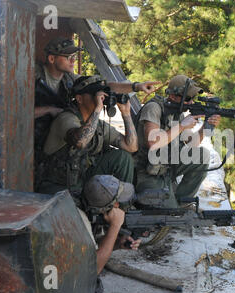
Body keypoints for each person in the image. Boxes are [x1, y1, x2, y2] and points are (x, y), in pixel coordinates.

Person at [34, 37, 159, 190]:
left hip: (68, 139)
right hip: (40, 140)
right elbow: (18, 112)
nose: (73, 61)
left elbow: (105, 86)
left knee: (121, 158)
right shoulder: (33, 76)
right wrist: (49, 110)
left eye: (74, 57)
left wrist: (135, 88)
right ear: (52, 58)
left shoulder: (69, 78)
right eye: (68, 57)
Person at [37, 75, 137, 202]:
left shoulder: (98, 125)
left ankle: (120, 208)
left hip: (82, 182)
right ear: (79, 99)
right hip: (56, 187)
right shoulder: (66, 118)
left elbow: (131, 146)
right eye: (94, 95)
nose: (100, 99)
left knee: (123, 157)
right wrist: (97, 109)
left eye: (102, 96)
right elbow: (81, 141)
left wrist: (126, 114)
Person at [135, 75, 221, 208]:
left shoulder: (177, 112)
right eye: (188, 98)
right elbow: (152, 142)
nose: (191, 102)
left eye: (193, 98)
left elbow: (193, 143)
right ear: (173, 96)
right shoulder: (154, 108)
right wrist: (181, 126)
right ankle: (173, 205)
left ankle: (182, 201)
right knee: (171, 214)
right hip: (146, 172)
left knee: (202, 156)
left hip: (166, 166)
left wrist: (206, 125)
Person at [81, 175, 141, 275]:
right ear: (112, 205)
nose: (119, 205)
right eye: (117, 202)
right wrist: (115, 226)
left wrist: (117, 243)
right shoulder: (81, 220)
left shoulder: (82, 202)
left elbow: (90, 248)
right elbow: (91, 270)